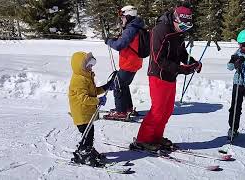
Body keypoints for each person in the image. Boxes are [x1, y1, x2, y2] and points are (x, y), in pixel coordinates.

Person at [131, 5, 202, 151]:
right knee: (158, 110)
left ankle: (156, 137)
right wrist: (182, 69)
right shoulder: (160, 31)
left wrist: (193, 62)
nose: (184, 29)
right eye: (182, 26)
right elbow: (158, 59)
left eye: (187, 27)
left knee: (167, 109)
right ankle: (143, 139)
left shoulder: (179, 32)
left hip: (171, 75)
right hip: (158, 75)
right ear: (175, 19)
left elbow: (181, 52)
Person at [68, 51, 114, 167]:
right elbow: (83, 98)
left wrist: (105, 87)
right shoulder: (79, 80)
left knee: (89, 133)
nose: (90, 67)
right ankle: (85, 154)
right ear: (80, 67)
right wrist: (98, 100)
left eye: (91, 65)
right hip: (81, 113)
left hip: (86, 112)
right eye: (88, 66)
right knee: (87, 134)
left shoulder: (86, 77)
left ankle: (87, 150)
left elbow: (93, 92)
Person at [104, 5, 145, 120]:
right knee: (123, 84)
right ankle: (127, 108)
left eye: (123, 17)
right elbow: (127, 42)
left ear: (128, 16)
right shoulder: (136, 26)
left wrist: (109, 41)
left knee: (117, 85)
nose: (122, 19)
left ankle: (121, 111)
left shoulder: (131, 28)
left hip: (129, 63)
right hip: (134, 62)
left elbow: (119, 45)